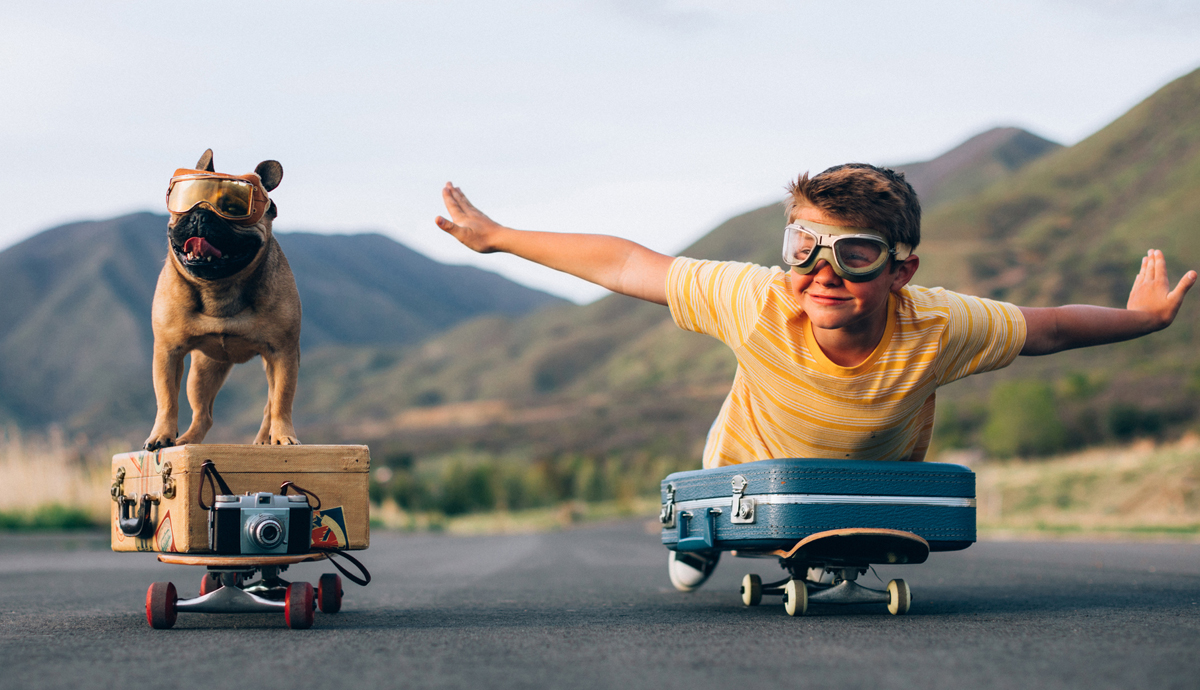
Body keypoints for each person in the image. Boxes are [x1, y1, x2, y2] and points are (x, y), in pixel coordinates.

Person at [435, 164, 1196, 590]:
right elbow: (632, 263)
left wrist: (1142, 320)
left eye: (853, 255)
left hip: (871, 485)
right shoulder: (753, 298)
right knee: (719, 500)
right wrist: (499, 237)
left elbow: (1050, 326)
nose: (820, 273)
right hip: (747, 462)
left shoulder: (940, 324)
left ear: (902, 269)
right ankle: (701, 537)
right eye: (803, 244)